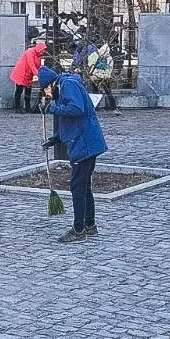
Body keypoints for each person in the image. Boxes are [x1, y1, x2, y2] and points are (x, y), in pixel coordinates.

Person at [39, 65, 108, 243]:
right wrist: (53, 140)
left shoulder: (68, 85)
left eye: (45, 90)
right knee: (84, 187)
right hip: (85, 142)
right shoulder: (65, 86)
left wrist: (52, 109)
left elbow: (77, 110)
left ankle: (79, 230)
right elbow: (69, 125)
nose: (47, 95)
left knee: (77, 187)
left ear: (50, 84)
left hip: (84, 144)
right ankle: (90, 225)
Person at [10, 41, 49, 112]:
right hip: (21, 73)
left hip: (28, 75)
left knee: (28, 91)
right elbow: (31, 65)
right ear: (39, 49)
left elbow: (38, 67)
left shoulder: (38, 56)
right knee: (19, 90)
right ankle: (17, 108)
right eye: (43, 50)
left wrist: (41, 73)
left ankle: (27, 108)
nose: (43, 52)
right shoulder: (30, 52)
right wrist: (39, 75)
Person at [85, 41, 120, 114]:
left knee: (95, 92)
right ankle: (114, 109)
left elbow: (89, 64)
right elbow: (110, 68)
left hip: (95, 76)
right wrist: (107, 75)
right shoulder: (109, 57)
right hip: (105, 77)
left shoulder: (94, 54)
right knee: (109, 93)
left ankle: (95, 108)